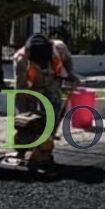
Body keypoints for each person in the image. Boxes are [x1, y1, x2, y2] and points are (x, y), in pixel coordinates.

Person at [11, 33, 79, 167]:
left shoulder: (59, 48)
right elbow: (20, 91)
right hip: (31, 88)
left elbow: (68, 60)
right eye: (39, 62)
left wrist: (71, 75)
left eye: (44, 62)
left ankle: (44, 148)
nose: (42, 65)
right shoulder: (21, 60)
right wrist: (23, 118)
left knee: (53, 114)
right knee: (28, 122)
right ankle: (25, 148)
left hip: (52, 83)